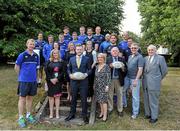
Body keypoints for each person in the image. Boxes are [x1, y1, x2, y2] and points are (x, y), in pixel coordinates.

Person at [14, 39, 39, 128]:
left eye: (33, 44)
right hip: (24, 81)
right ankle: (21, 117)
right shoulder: (22, 55)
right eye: (30, 44)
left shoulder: (36, 56)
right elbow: (16, 67)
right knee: (22, 99)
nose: (32, 45)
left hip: (33, 81)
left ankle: (28, 115)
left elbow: (37, 69)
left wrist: (36, 79)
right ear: (27, 44)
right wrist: (20, 77)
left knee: (30, 99)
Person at [65, 44, 92, 124]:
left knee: (84, 99)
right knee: (73, 98)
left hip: (84, 82)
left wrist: (86, 75)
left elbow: (90, 69)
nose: (79, 51)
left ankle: (85, 116)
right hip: (74, 82)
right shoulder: (71, 59)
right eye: (77, 49)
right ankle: (71, 114)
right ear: (75, 50)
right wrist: (70, 75)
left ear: (82, 50)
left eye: (80, 49)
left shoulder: (87, 59)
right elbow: (68, 69)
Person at [142, 45, 168, 123]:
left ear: (155, 50)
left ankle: (154, 117)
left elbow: (164, 71)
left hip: (154, 83)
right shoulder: (145, 58)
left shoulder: (160, 58)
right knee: (146, 98)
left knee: (153, 100)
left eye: (152, 50)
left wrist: (158, 79)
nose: (150, 51)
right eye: (149, 50)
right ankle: (148, 114)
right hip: (145, 82)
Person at [123, 43, 144, 119]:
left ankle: (135, 112)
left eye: (135, 48)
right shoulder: (129, 56)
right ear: (130, 49)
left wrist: (136, 79)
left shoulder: (140, 57)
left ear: (138, 48)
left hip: (134, 79)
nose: (133, 49)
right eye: (132, 48)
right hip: (127, 77)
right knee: (123, 90)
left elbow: (140, 69)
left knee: (135, 96)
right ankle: (124, 104)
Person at [45, 49, 66, 119]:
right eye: (54, 53)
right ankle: (51, 113)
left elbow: (63, 72)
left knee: (57, 97)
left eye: (56, 53)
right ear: (52, 54)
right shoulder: (49, 61)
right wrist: (51, 79)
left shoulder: (61, 62)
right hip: (50, 82)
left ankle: (57, 113)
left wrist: (57, 79)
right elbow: (46, 71)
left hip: (58, 82)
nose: (55, 54)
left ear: (58, 54)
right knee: (51, 98)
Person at [106, 47, 127, 117]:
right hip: (110, 79)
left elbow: (126, 71)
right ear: (111, 52)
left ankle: (120, 110)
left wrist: (123, 68)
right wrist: (109, 66)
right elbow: (104, 69)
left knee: (120, 95)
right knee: (110, 94)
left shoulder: (122, 59)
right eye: (113, 51)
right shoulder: (108, 59)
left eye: (116, 51)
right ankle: (110, 108)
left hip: (119, 79)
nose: (115, 52)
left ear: (118, 52)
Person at [94, 53, 111, 122]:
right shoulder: (97, 66)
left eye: (101, 57)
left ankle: (105, 115)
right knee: (99, 100)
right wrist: (94, 84)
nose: (99, 58)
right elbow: (95, 77)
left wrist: (107, 86)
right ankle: (102, 112)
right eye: (98, 57)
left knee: (104, 101)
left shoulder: (106, 66)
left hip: (104, 86)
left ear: (104, 58)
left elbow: (109, 77)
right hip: (97, 86)